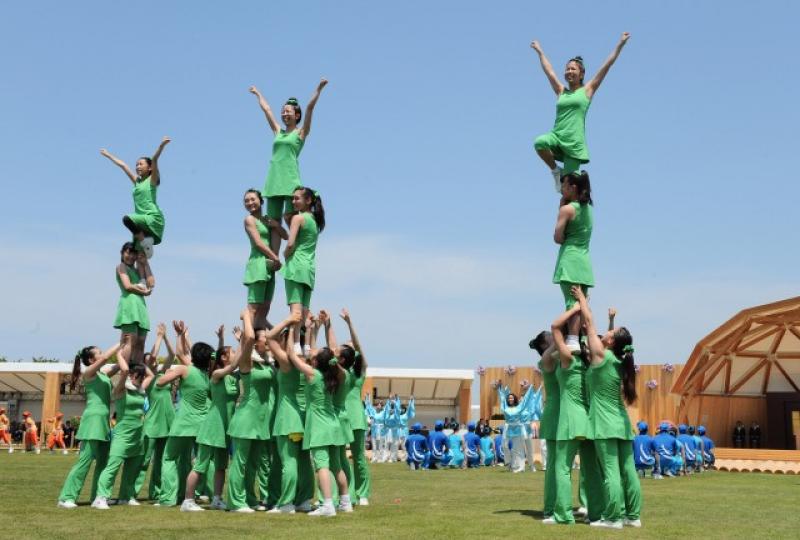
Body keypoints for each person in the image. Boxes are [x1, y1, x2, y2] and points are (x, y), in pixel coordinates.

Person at [573, 287, 642, 528]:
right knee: (628, 470)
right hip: (622, 422)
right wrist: (611, 320)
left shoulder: (601, 357)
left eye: (609, 331)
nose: (605, 332)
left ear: (610, 341)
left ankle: (612, 518)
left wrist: (582, 298)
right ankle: (632, 517)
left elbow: (590, 324)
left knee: (610, 471)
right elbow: (607, 336)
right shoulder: (620, 361)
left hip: (604, 423)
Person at [530, 33, 631, 192]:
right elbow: (549, 71)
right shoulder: (561, 91)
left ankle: (573, 213)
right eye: (567, 69)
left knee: (571, 189)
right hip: (557, 137)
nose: (569, 71)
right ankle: (556, 171)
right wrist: (540, 51)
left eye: (573, 69)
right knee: (539, 142)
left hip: (574, 144)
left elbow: (606, 66)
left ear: (582, 73)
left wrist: (621, 44)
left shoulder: (587, 91)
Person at [250, 79, 328, 250]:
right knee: (273, 221)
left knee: (289, 216)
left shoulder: (301, 133)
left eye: (288, 111)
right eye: (283, 112)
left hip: (290, 179)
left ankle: (295, 246)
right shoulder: (278, 132)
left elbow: (309, 108)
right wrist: (258, 94)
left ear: (296, 115)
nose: (284, 114)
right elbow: (267, 110)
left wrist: (319, 89)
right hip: (273, 179)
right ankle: (274, 256)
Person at [546, 303, 605, 526]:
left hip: (569, 422)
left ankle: (563, 515)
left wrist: (574, 309)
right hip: (587, 422)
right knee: (591, 470)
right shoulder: (591, 366)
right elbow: (590, 329)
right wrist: (585, 306)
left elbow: (554, 327)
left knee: (562, 469)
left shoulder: (567, 361)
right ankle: (596, 514)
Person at [225, 311, 289, 512]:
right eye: (265, 340)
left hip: (262, 419)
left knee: (253, 464)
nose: (269, 343)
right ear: (255, 344)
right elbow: (250, 337)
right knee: (240, 462)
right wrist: (246, 317)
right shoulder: (247, 360)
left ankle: (250, 499)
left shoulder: (268, 362)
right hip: (246, 418)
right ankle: (235, 502)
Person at [287, 324, 352, 517]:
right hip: (333, 425)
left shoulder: (312, 374)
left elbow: (291, 356)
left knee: (321, 466)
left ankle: (328, 505)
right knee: (336, 466)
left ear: (315, 362)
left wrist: (292, 330)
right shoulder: (331, 375)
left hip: (320, 427)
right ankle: (345, 501)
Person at [181, 325, 242, 512]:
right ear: (223, 358)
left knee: (221, 466)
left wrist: (242, 343)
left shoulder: (233, 376)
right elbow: (232, 365)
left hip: (226, 427)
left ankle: (217, 498)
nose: (234, 355)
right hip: (212, 426)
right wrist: (244, 341)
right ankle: (188, 501)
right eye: (231, 352)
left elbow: (240, 364)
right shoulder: (216, 375)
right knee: (201, 465)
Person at [58, 342, 122, 508]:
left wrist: (129, 341)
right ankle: (66, 498)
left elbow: (120, 362)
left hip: (103, 423)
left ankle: (98, 497)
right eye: (98, 353)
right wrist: (121, 342)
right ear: (91, 360)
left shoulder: (103, 374)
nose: (102, 355)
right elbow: (108, 357)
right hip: (93, 422)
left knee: (103, 462)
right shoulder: (89, 372)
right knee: (84, 462)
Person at [155, 321, 212, 507]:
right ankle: (191, 493)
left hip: (183, 422)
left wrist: (179, 335)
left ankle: (168, 498)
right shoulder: (207, 374)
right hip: (202, 423)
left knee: (169, 458)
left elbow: (160, 382)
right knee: (195, 461)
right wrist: (183, 336)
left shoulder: (184, 369)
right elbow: (182, 354)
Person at [92, 351, 153, 509]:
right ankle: (100, 497)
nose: (140, 378)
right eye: (137, 375)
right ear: (131, 375)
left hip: (137, 435)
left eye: (140, 376)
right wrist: (120, 355)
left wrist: (139, 363)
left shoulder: (140, 390)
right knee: (113, 466)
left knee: (132, 468)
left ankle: (126, 497)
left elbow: (151, 375)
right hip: (122, 435)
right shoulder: (121, 389)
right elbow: (124, 371)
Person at [100, 137, 170, 258]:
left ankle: (145, 241)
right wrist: (108, 155)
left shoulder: (151, 181)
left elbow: (154, 159)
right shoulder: (137, 182)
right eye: (136, 164)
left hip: (152, 217)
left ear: (149, 168)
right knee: (139, 255)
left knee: (127, 219)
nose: (137, 166)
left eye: (140, 164)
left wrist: (161, 145)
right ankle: (142, 277)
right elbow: (123, 165)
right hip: (140, 220)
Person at [133, 323, 176, 500]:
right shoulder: (147, 376)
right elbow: (152, 356)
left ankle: (156, 492)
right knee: (144, 460)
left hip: (167, 421)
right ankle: (131, 493)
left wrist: (166, 337)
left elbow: (173, 355)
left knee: (161, 461)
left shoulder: (164, 374)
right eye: (150, 359)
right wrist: (158, 337)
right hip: (152, 422)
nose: (154, 359)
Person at [552, 171, 593, 352]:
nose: (561, 189)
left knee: (571, 302)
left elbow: (558, 237)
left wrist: (561, 207)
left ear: (573, 188)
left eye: (564, 185)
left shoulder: (567, 209)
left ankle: (573, 338)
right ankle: (582, 338)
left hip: (569, 258)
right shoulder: (589, 209)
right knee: (582, 301)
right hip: (584, 259)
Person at [282, 187, 326, 353]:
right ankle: (306, 345)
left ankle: (294, 345)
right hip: (309, 269)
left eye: (296, 198)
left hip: (295, 266)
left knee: (295, 311)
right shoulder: (315, 220)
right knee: (305, 311)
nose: (293, 202)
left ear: (308, 201)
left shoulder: (298, 218)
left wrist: (284, 255)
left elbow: (291, 243)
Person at [338, 309, 371, 505]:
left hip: (356, 416)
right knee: (341, 458)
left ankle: (363, 494)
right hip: (341, 416)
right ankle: (346, 493)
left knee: (358, 457)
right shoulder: (341, 371)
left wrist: (349, 323)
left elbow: (358, 346)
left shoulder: (360, 370)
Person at [243, 189, 286, 329]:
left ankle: (258, 340)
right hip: (258, 264)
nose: (250, 203)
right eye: (246, 201)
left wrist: (276, 225)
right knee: (253, 308)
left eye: (252, 199)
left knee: (264, 309)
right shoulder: (249, 220)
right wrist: (275, 258)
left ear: (261, 201)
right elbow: (258, 243)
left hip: (269, 266)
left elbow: (285, 235)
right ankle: (246, 341)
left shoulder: (266, 219)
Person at [530, 330, 558, 518]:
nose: (554, 337)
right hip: (555, 413)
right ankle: (551, 507)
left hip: (562, 412)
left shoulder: (557, 356)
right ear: (543, 346)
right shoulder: (547, 361)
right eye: (550, 336)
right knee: (555, 464)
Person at [115, 243, 154, 366]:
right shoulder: (121, 267)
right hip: (129, 306)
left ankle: (137, 372)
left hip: (141, 308)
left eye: (133, 253)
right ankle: (125, 371)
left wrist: (145, 262)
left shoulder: (138, 270)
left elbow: (151, 283)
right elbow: (127, 286)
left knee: (141, 341)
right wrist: (143, 291)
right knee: (130, 340)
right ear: (122, 253)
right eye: (128, 252)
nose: (130, 256)